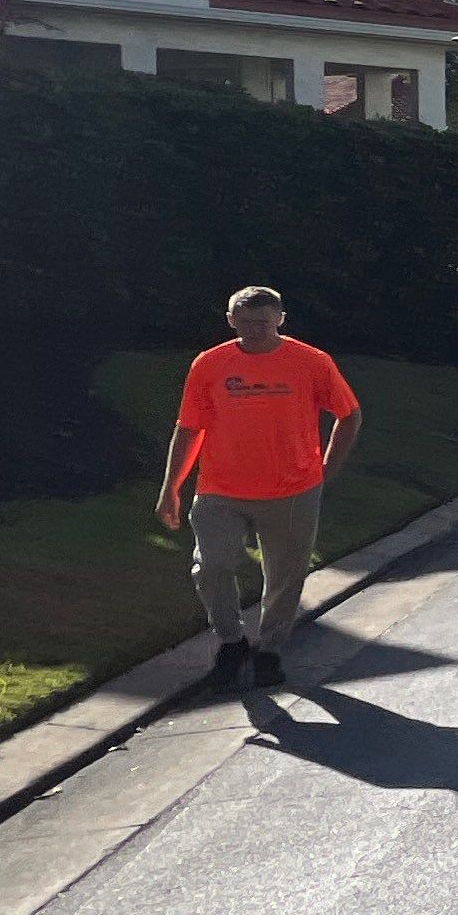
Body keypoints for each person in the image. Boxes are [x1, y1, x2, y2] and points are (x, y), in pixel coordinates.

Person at [156, 285, 360, 691]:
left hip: (292, 489)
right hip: (220, 488)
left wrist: (325, 469)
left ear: (280, 319)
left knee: (285, 576)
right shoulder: (210, 364)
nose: (254, 331)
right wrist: (171, 488)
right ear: (231, 320)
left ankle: (268, 650)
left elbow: (349, 414)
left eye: (263, 323)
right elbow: (189, 426)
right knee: (211, 566)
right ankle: (231, 642)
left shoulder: (311, 362)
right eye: (245, 322)